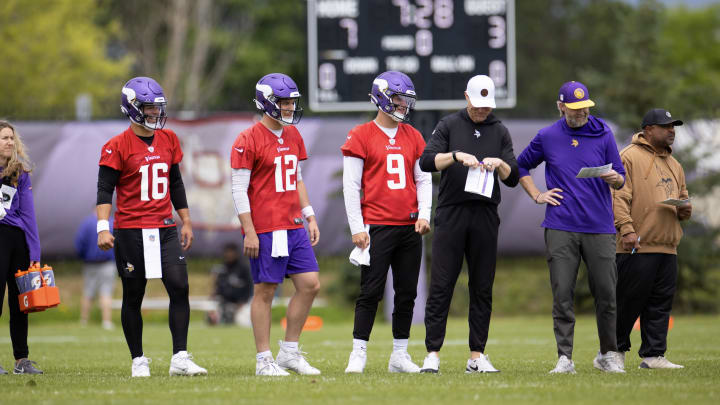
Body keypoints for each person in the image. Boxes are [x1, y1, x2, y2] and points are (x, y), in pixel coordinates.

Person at [96, 76, 207, 377]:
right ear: (132, 108)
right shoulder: (116, 145)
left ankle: (180, 358)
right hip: (131, 228)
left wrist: (185, 220)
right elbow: (105, 189)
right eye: (148, 107)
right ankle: (138, 360)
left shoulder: (169, 139)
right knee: (134, 294)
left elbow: (175, 182)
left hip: (165, 226)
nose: (155, 113)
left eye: (157, 107)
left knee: (179, 286)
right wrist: (102, 227)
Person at [516, 81, 626, 374]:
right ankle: (565, 358)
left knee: (606, 292)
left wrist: (615, 178)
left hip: (600, 226)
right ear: (560, 106)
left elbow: (621, 175)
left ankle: (608, 354)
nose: (582, 114)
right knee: (562, 293)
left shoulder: (603, 133)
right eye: (575, 109)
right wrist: (537, 195)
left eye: (585, 108)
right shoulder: (548, 135)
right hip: (561, 226)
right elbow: (521, 166)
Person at [418, 75, 519, 373]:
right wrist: (455, 156)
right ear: (466, 98)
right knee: (442, 285)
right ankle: (432, 354)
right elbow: (426, 161)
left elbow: (512, 177)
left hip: (485, 215)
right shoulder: (449, 125)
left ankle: (477, 356)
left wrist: (500, 164)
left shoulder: (499, 130)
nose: (481, 112)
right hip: (452, 214)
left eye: (486, 107)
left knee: (482, 286)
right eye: (477, 106)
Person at [230, 73, 322, 376]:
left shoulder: (293, 134)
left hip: (293, 223)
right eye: (282, 102)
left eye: (290, 102)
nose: (288, 107)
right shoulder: (248, 138)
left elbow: (296, 179)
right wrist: (250, 230)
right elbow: (238, 189)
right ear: (266, 103)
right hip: (266, 228)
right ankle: (263, 360)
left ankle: (290, 352)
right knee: (266, 291)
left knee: (310, 285)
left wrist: (309, 214)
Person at [341, 71, 432, 374]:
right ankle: (358, 352)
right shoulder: (361, 134)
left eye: (406, 99)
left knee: (407, 293)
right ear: (381, 98)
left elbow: (423, 180)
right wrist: (356, 226)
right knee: (370, 291)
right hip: (376, 226)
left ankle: (400, 354)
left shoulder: (414, 136)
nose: (404, 105)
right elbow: (351, 185)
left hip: (409, 227)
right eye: (398, 98)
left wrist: (424, 214)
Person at [613, 108, 690, 369]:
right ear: (648, 130)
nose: (672, 131)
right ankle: (613, 353)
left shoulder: (675, 164)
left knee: (659, 304)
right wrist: (626, 229)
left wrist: (685, 208)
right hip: (636, 244)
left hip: (667, 245)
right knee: (627, 302)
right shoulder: (628, 157)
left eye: (674, 126)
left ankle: (653, 355)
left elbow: (682, 196)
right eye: (665, 126)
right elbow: (618, 197)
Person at [0, 120, 43, 375]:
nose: (9, 142)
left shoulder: (20, 173)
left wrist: (34, 254)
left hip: (17, 241)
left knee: (20, 303)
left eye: (11, 138)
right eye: (4, 137)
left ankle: (21, 360)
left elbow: (29, 216)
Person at [76, 212, 116, 330]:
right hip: (108, 263)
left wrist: (83, 257)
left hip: (90, 264)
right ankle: (106, 322)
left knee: (88, 292)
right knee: (106, 292)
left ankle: (83, 320)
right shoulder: (112, 223)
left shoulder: (86, 223)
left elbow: (79, 243)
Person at [209, 242, 253, 325]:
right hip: (225, 303)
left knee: (241, 321)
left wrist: (243, 302)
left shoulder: (243, 268)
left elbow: (250, 287)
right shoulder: (223, 267)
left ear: (236, 253)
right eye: (227, 252)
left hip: (242, 304)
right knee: (213, 318)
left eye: (231, 252)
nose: (228, 254)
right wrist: (215, 294)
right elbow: (219, 286)